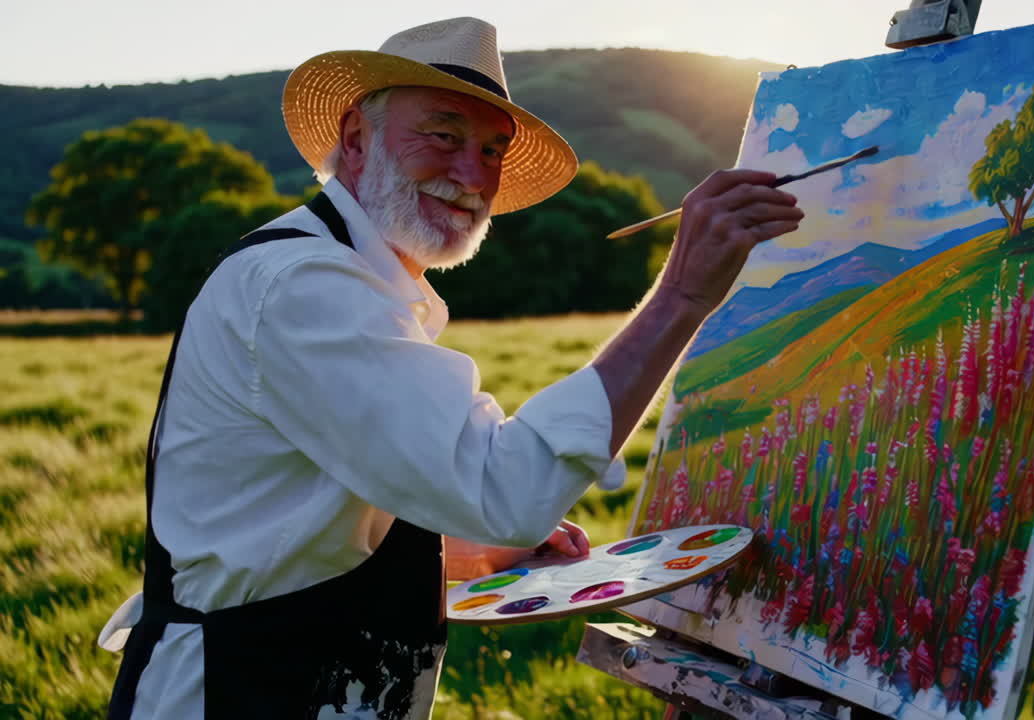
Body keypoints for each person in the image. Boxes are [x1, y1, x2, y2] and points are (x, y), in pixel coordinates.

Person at [98, 16, 804, 720]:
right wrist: (681, 294)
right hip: (234, 696)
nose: (473, 176)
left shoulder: (356, 280)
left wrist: (472, 551)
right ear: (354, 139)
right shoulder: (306, 284)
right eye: (442, 135)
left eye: (493, 149)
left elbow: (312, 520)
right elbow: (503, 487)